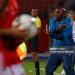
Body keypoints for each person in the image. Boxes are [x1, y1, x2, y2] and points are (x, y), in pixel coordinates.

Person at [0, 0, 28, 75]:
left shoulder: (12, 2)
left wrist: (19, 35)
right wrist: (11, 32)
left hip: (11, 54)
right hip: (3, 55)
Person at [45, 7, 75, 75]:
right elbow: (52, 31)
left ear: (64, 14)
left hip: (68, 49)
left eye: (58, 12)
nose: (55, 14)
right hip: (56, 48)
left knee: (68, 70)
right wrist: (58, 29)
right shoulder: (53, 20)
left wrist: (51, 34)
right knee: (48, 69)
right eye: (55, 12)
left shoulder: (68, 23)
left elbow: (61, 37)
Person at [28, 9, 41, 75]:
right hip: (31, 38)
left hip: (34, 39)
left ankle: (37, 72)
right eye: (32, 11)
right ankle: (37, 71)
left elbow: (38, 31)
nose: (33, 12)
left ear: (37, 13)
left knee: (34, 55)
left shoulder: (37, 20)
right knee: (33, 56)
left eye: (34, 12)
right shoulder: (32, 19)